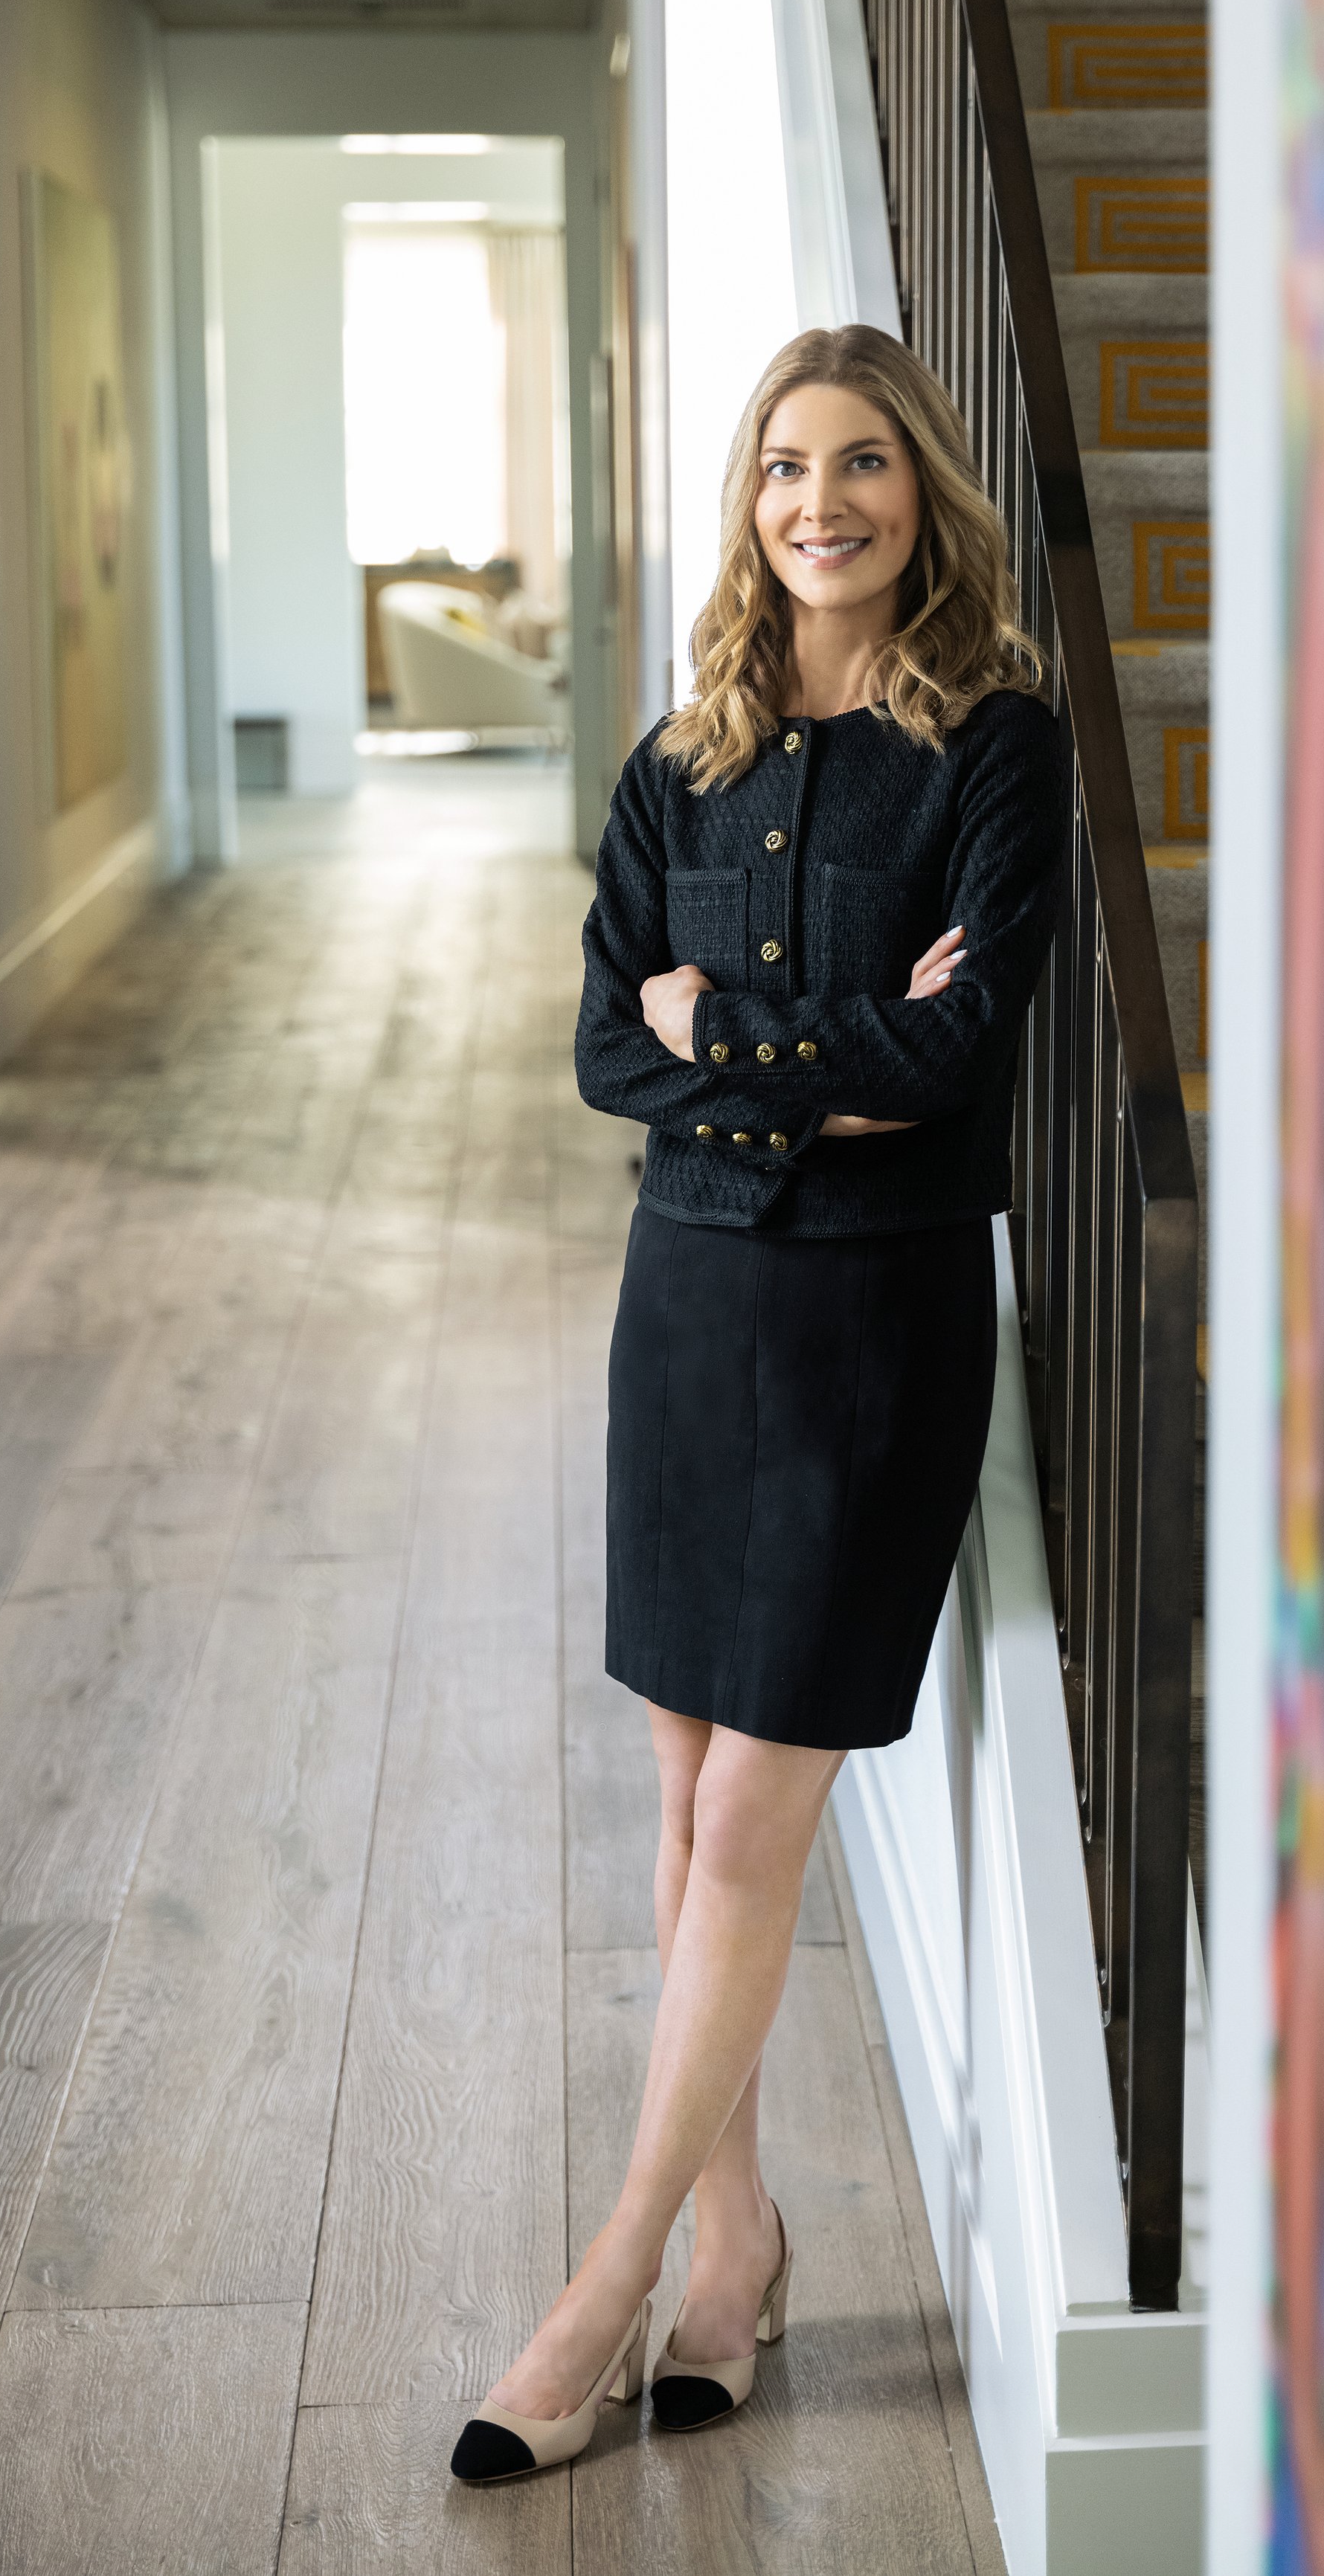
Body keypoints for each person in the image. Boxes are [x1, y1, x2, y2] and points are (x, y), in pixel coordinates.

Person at [450, 321, 1065, 2484]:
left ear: (923, 499)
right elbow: (606, 1051)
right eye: (789, 466)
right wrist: (813, 1050)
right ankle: (741, 2239)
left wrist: (737, 1036)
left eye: (867, 466)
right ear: (750, 498)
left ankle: (609, 2277)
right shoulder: (677, 756)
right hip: (685, 1310)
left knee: (745, 1820)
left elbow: (963, 1052)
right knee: (678, 1793)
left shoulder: (993, 746)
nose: (824, 501)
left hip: (867, 1339)